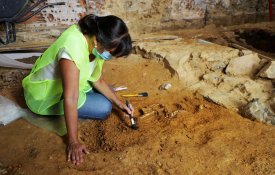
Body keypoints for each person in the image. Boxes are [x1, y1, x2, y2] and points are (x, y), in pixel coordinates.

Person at [22, 14, 133, 165]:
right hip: (44, 97)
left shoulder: (95, 43)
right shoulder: (72, 49)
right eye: (111, 53)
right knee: (104, 107)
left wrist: (119, 103)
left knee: (108, 93)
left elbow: (97, 79)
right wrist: (73, 141)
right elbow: (71, 98)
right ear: (97, 40)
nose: (109, 57)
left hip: (70, 84)